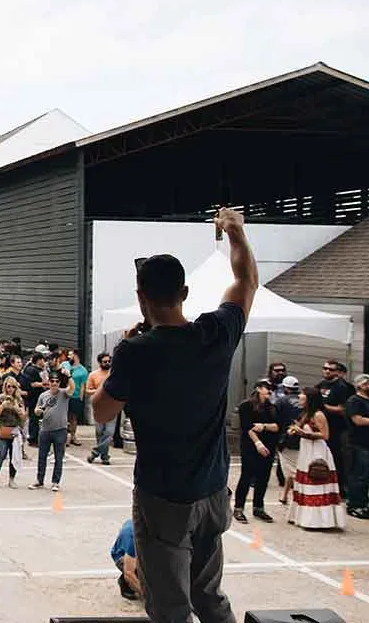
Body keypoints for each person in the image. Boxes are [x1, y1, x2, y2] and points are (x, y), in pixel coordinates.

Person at [92, 207, 256, 623]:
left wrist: (123, 358)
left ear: (140, 297)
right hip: (213, 491)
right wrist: (235, 231)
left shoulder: (137, 351)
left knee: (170, 606)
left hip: (163, 496)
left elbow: (101, 410)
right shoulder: (216, 333)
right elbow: (245, 281)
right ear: (184, 292)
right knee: (209, 596)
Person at [287, 387, 346, 530]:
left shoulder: (318, 415)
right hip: (306, 450)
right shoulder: (306, 413)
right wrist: (294, 430)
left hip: (317, 451)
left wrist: (304, 433)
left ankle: (318, 521)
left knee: (316, 480)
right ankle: (303, 518)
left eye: (302, 394)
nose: (300, 396)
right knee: (305, 482)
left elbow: (325, 435)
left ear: (310, 398)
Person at [234, 380, 279, 524]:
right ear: (258, 389)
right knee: (246, 476)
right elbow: (248, 427)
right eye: (267, 388)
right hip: (250, 446)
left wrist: (264, 426)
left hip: (269, 445)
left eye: (271, 389)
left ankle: (258, 507)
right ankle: (238, 507)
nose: (269, 391)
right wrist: (257, 443)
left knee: (263, 477)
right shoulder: (246, 406)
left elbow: (277, 426)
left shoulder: (272, 407)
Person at [30, 367, 71, 492]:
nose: (54, 383)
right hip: (45, 430)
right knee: (42, 457)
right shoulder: (43, 395)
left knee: (59, 457)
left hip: (60, 430)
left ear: (59, 383)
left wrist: (69, 376)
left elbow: (72, 388)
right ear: (48, 382)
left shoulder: (63, 393)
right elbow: (36, 410)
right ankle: (39, 480)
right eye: (52, 381)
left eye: (57, 381)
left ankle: (56, 482)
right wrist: (38, 411)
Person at [319, 360, 355, 499]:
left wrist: (323, 406)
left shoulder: (343, 387)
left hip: (339, 429)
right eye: (325, 368)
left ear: (337, 372)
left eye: (331, 369)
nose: (327, 371)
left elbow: (343, 409)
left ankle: (341, 489)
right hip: (324, 428)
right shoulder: (321, 385)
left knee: (339, 460)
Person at [0, 377, 26, 489]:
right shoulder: (0, 398)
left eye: (13, 387)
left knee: (14, 457)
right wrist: (3, 406)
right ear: (5, 386)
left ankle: (11, 479)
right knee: (0, 455)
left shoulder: (19, 399)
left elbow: (23, 417)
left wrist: (16, 408)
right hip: (2, 430)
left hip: (15, 431)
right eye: (8, 386)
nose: (10, 389)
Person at [346, 374, 369, 519]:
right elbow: (358, 420)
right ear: (360, 385)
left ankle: (365, 504)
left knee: (366, 476)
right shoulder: (354, 401)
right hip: (359, 444)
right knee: (359, 475)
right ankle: (355, 505)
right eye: (368, 383)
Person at [85, 353, 113, 464]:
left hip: (112, 405)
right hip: (98, 406)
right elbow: (87, 390)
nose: (107, 363)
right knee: (100, 432)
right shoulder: (93, 375)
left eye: (109, 361)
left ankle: (95, 452)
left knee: (109, 432)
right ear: (100, 362)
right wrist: (100, 390)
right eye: (105, 362)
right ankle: (104, 456)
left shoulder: (114, 374)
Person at [111, 519, 141, 601]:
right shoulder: (134, 542)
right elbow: (129, 573)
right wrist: (146, 596)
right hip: (121, 555)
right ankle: (125, 584)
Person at [63, 350, 89, 446]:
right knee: (64, 417)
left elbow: (82, 386)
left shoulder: (83, 371)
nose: (69, 356)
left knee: (73, 418)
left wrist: (81, 399)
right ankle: (64, 437)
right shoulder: (64, 365)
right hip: (64, 394)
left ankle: (73, 436)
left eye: (71, 355)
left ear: (76, 356)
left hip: (75, 396)